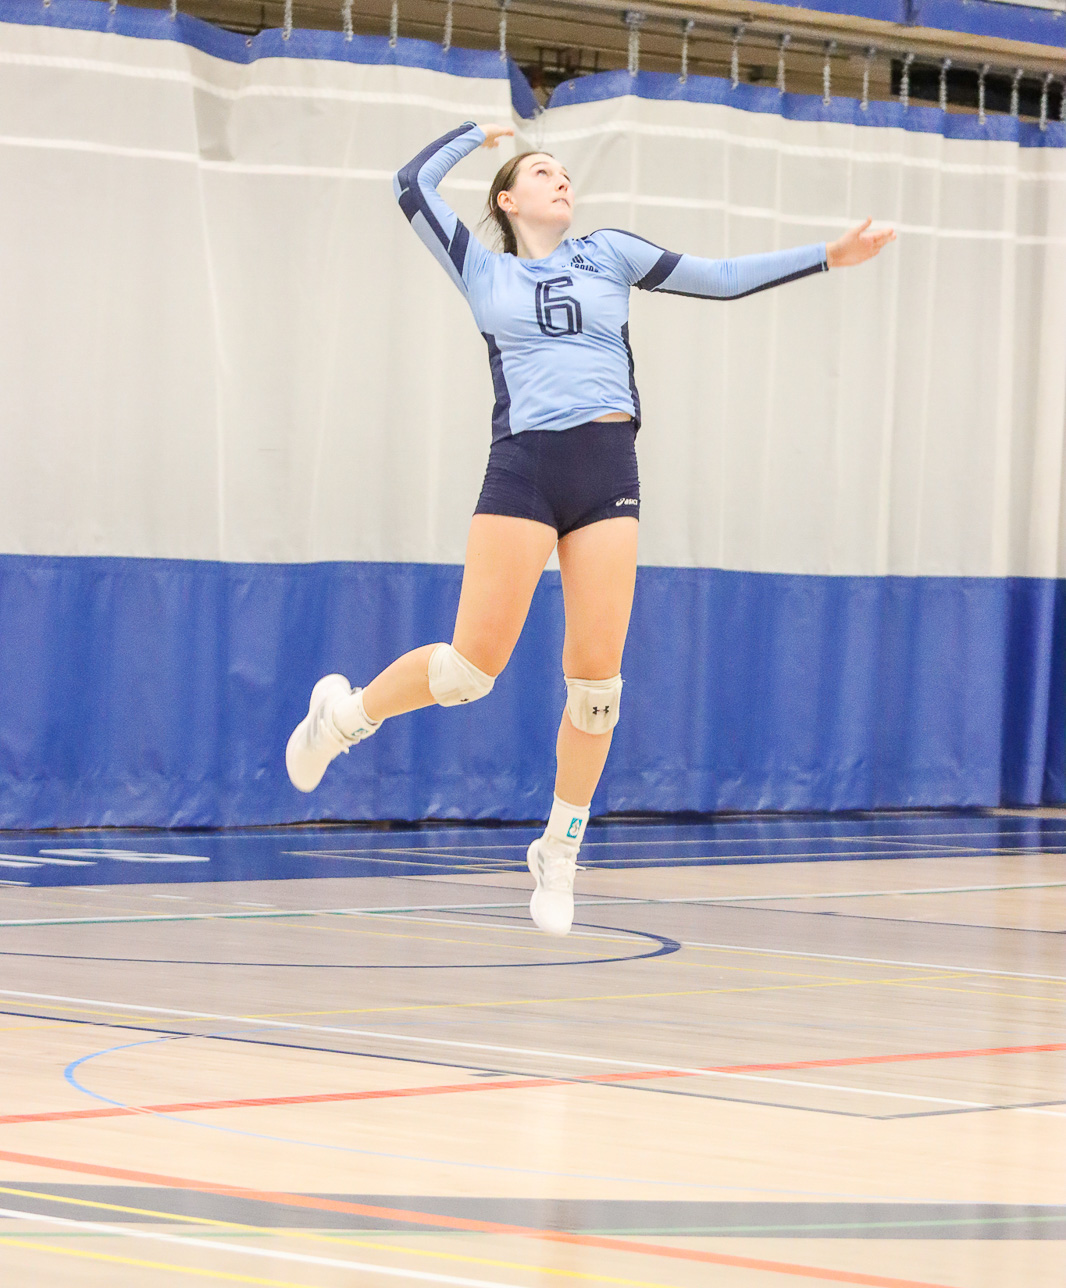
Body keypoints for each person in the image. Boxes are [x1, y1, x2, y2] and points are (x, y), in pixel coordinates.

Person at [286, 120, 895, 936]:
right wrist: (479, 132)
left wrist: (828, 253)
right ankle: (345, 717)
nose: (561, 179)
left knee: (598, 690)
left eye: (565, 171)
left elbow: (713, 277)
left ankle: (559, 850)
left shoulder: (608, 251)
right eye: (542, 171)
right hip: (525, 467)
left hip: (607, 465)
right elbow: (411, 187)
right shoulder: (482, 268)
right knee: (471, 670)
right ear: (508, 199)